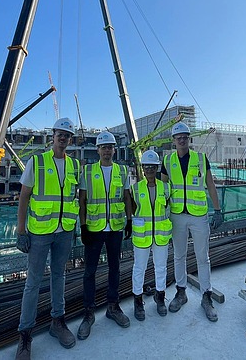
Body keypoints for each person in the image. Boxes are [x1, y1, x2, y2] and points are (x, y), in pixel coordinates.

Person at [15, 118, 80, 360]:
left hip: (64, 231)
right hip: (40, 233)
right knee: (32, 283)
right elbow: (24, 196)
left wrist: (73, 229)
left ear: (70, 140)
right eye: (59, 134)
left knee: (59, 276)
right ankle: (25, 335)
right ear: (52, 136)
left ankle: (57, 322)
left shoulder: (74, 165)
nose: (63, 138)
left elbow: (73, 198)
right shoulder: (38, 161)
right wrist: (21, 231)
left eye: (67, 135)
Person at [161, 122, 223, 322]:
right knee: (179, 256)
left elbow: (210, 185)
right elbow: (162, 189)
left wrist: (218, 209)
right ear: (173, 140)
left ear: (189, 138)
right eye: (178, 137)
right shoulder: (168, 160)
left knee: (202, 257)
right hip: (177, 215)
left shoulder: (200, 159)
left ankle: (206, 297)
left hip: (198, 216)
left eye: (185, 136)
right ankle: (181, 292)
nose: (181, 139)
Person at [78, 130, 132, 340]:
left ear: (114, 150)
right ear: (98, 149)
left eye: (110, 147)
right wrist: (82, 226)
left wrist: (128, 221)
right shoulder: (89, 171)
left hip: (115, 229)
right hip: (94, 228)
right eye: (104, 147)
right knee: (89, 272)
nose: (107, 151)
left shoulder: (122, 170)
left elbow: (127, 198)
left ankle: (113, 306)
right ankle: (88, 312)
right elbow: (82, 200)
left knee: (114, 269)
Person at [131, 150, 172, 321]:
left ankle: (160, 297)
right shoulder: (135, 188)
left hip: (161, 235)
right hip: (142, 237)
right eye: (146, 166)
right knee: (139, 269)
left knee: (161, 268)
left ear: (157, 168)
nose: (149, 169)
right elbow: (132, 210)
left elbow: (169, 209)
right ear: (142, 168)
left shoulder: (165, 188)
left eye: (152, 166)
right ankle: (138, 301)